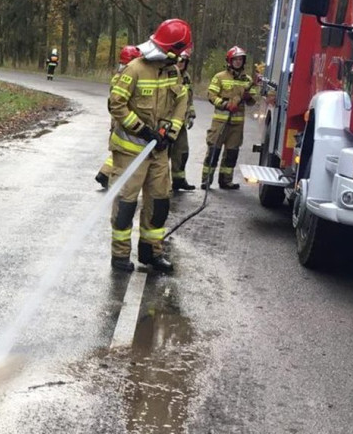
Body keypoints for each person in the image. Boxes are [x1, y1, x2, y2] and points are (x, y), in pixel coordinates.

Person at [107, 18, 191, 273]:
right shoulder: (134, 69)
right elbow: (116, 105)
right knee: (126, 205)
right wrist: (143, 130)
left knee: (159, 203)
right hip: (130, 152)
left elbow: (181, 102)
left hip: (159, 152)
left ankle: (151, 252)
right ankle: (120, 256)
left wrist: (170, 132)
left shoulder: (173, 72)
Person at [201, 46, 259, 190]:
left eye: (240, 59)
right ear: (229, 61)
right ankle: (206, 181)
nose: (238, 62)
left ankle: (226, 181)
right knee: (213, 151)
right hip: (220, 122)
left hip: (236, 125)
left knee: (232, 153)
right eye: (235, 59)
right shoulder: (220, 77)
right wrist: (225, 104)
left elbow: (252, 101)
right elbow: (211, 95)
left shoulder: (247, 80)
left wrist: (248, 97)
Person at [95, 44, 142, 189]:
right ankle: (108, 175)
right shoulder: (126, 77)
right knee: (123, 151)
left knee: (119, 150)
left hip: (117, 118)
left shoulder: (118, 76)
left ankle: (105, 172)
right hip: (123, 118)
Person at [170, 48, 197, 192]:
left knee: (182, 151)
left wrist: (191, 114)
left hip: (181, 122)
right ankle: (160, 184)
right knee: (164, 153)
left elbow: (189, 99)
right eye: (179, 60)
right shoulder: (168, 75)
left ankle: (179, 180)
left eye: (184, 61)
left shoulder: (186, 77)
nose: (181, 64)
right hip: (168, 121)